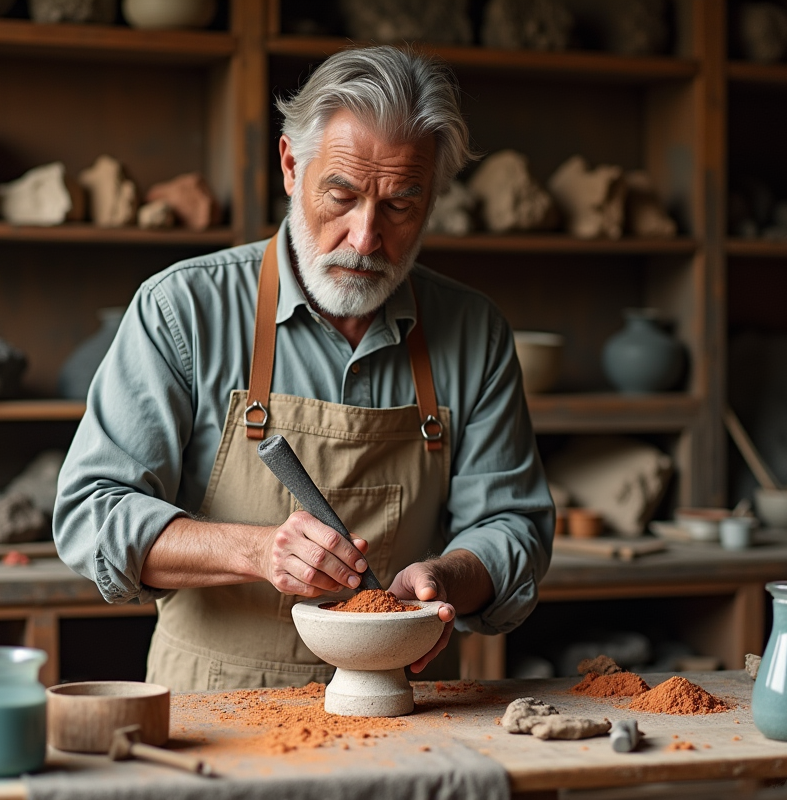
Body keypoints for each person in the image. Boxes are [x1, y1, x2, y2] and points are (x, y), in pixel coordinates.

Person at [54, 45, 554, 691]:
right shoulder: (182, 310)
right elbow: (91, 515)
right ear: (291, 166)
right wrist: (256, 551)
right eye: (341, 195)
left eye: (401, 205)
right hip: (214, 707)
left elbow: (513, 527)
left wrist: (450, 578)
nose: (366, 237)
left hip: (407, 710)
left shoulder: (474, 331)